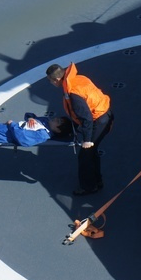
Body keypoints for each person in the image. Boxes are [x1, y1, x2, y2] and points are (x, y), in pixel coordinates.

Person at [46, 63, 113, 196]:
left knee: (85, 155)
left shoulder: (73, 93)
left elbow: (86, 118)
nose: (51, 83)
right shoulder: (79, 78)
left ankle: (89, 187)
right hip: (104, 114)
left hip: (99, 120)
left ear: (56, 79)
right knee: (92, 152)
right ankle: (97, 180)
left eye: (50, 81)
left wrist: (87, 140)